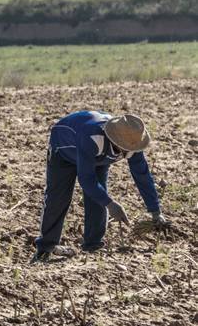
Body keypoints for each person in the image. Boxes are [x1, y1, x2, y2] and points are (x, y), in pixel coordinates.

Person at [32, 111, 169, 263]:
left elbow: (142, 176)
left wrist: (155, 211)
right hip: (64, 149)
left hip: (98, 157)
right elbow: (86, 179)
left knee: (98, 195)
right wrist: (111, 205)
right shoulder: (92, 137)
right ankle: (45, 248)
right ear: (117, 142)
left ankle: (93, 244)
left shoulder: (133, 142)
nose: (132, 152)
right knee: (58, 198)